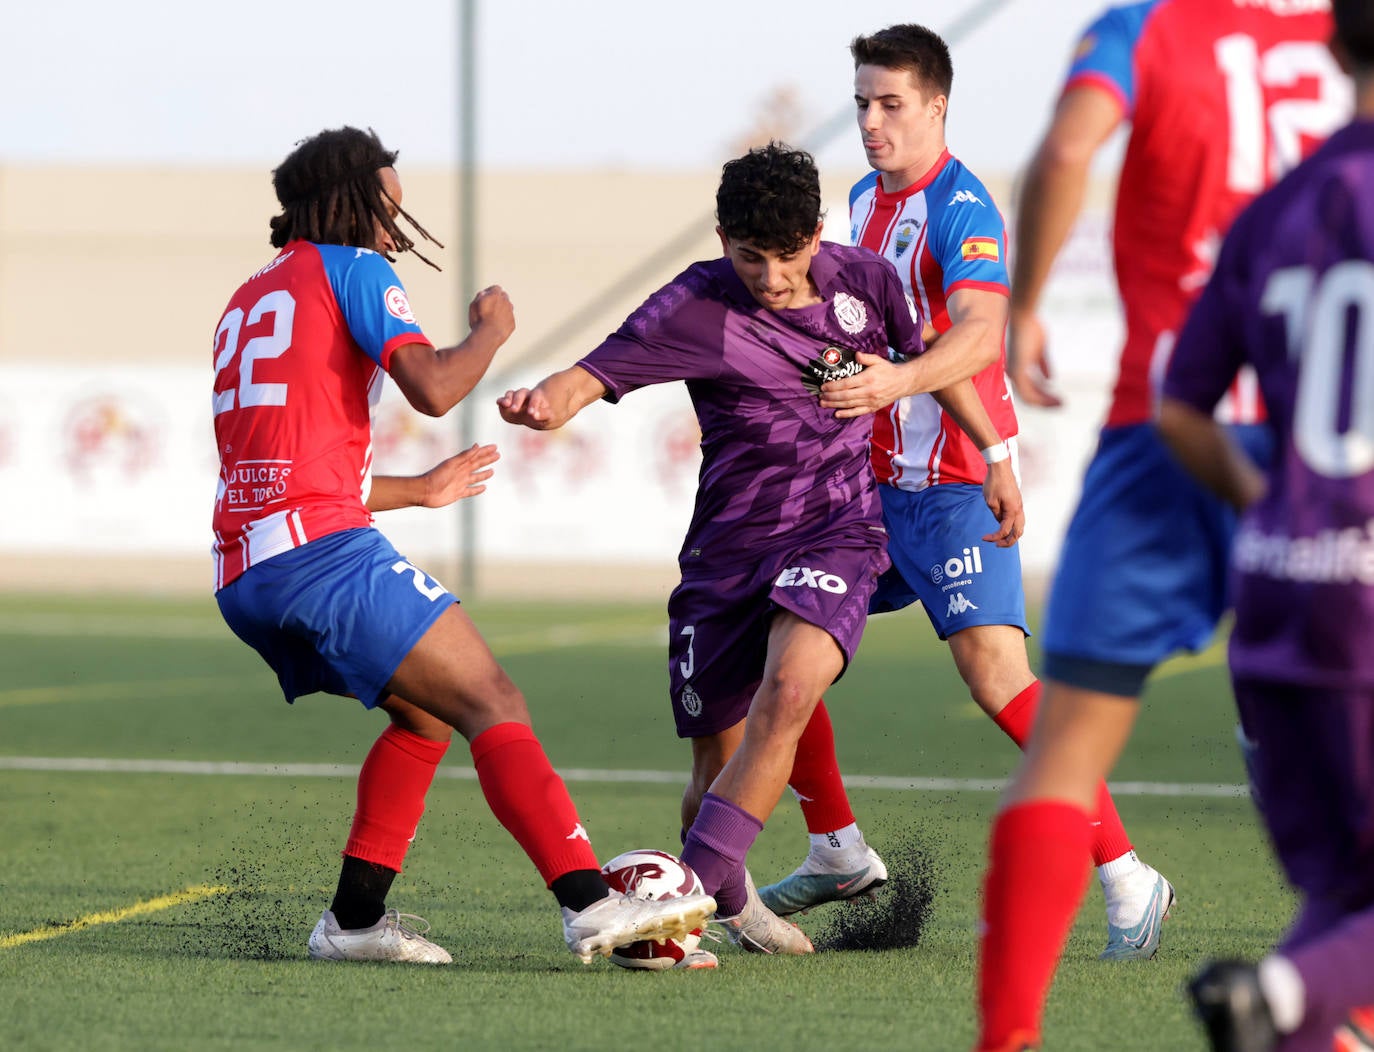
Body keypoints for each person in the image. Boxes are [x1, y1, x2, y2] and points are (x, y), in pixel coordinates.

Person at [210, 126, 714, 967]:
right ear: (346, 201)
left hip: (246, 569)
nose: (391, 229)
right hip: (322, 556)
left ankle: (356, 920)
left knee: (425, 714)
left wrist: (419, 490)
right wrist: (491, 329)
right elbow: (436, 387)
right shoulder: (356, 270)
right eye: (386, 208)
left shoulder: (246, 299)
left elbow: (281, 469)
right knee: (494, 700)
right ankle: (590, 903)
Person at [498, 142, 1013, 956]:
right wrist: (543, 403)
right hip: (726, 558)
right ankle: (734, 903)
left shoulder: (867, 281)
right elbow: (592, 372)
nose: (770, 277)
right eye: (749, 258)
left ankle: (677, 901)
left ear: (816, 233)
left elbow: (926, 365)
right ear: (721, 238)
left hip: (838, 529)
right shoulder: (695, 304)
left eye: (786, 257)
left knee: (794, 685)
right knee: (712, 769)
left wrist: (994, 450)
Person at [973, 2, 1350, 1048]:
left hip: (1166, 423)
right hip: (1327, 445)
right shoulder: (1339, 35)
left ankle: (1004, 1038)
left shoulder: (1149, 27)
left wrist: (1029, 302)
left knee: (1065, 750)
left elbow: (1064, 151)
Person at [756, 21, 1170, 962]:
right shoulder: (860, 198)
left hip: (947, 480)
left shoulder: (963, 208)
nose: (870, 122)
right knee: (777, 633)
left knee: (996, 679)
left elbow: (978, 336)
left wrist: (982, 444)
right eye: (862, 102)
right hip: (868, 482)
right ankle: (833, 846)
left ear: (936, 106)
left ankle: (1128, 877)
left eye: (890, 104)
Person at [1157, 2, 1374, 1047]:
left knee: (1342, 896)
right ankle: (1279, 995)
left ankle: (1286, 1010)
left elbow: (1180, 410)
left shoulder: (1278, 207)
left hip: (1283, 583)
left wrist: (1274, 512)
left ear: (1332, 45)